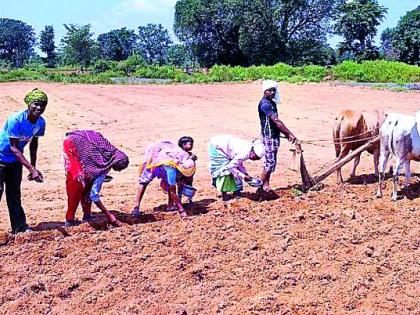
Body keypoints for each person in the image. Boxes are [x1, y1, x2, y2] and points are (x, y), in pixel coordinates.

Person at [0, 88, 47, 233]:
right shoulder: (16, 119)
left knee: (14, 194)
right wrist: (31, 169)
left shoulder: (40, 123)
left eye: (42, 105)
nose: (39, 108)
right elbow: (14, 148)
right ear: (29, 104)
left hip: (16, 162)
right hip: (1, 158)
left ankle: (19, 227)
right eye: (36, 104)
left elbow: (33, 144)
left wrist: (33, 165)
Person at [63, 130, 129, 227]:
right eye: (118, 169)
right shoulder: (102, 167)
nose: (117, 171)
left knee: (89, 181)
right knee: (77, 181)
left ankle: (87, 215)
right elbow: (94, 195)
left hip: (81, 143)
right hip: (71, 145)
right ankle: (69, 219)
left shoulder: (109, 154)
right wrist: (109, 215)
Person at [133, 140, 196, 219]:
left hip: (165, 156)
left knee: (170, 182)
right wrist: (181, 210)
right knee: (144, 181)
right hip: (154, 161)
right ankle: (136, 207)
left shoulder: (185, 156)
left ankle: (170, 205)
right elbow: (173, 191)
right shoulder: (172, 169)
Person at [258, 80, 298, 192]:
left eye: (273, 90)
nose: (272, 92)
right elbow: (276, 121)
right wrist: (289, 134)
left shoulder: (272, 103)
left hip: (274, 135)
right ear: (264, 91)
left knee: (271, 162)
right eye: (269, 90)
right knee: (270, 163)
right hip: (269, 136)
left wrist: (285, 133)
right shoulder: (265, 104)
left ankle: (265, 184)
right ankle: (261, 187)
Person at [208, 135, 265, 201]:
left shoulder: (248, 150)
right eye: (255, 157)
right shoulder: (244, 153)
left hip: (224, 146)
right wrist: (244, 176)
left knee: (237, 171)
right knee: (224, 171)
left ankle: (237, 192)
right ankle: (224, 194)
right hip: (217, 147)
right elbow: (230, 167)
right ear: (253, 152)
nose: (255, 160)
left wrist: (245, 174)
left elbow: (238, 164)